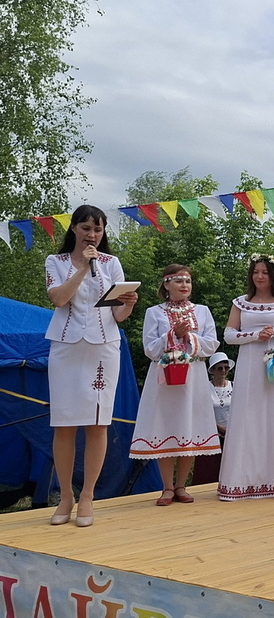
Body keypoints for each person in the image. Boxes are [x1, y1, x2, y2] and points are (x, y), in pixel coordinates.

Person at [44, 205, 138, 527]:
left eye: (98, 229)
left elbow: (117, 315)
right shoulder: (56, 262)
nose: (92, 235)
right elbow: (59, 299)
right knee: (64, 424)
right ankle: (65, 496)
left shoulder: (112, 264)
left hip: (103, 348)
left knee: (98, 423)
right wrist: (83, 267)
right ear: (73, 228)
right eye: (86, 228)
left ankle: (87, 496)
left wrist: (128, 305)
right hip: (66, 347)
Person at [129, 264, 221, 505]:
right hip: (163, 378)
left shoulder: (202, 311)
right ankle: (167, 487)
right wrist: (171, 335)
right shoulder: (154, 313)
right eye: (179, 281)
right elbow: (150, 349)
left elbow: (212, 344)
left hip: (193, 377)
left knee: (189, 425)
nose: (184, 285)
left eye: (188, 281)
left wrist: (188, 336)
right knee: (166, 426)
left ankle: (182, 486)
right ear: (166, 284)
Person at [217, 254, 274, 500]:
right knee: (247, 418)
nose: (260, 276)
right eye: (256, 272)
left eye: (264, 272)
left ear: (273, 275)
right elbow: (229, 335)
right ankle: (241, 482)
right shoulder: (240, 303)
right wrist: (255, 335)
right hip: (249, 367)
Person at [190, 352, 235, 485]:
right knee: (208, 471)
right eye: (220, 368)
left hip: (231, 435)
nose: (223, 371)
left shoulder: (234, 386)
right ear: (213, 370)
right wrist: (218, 427)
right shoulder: (205, 388)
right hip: (210, 435)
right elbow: (200, 413)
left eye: (226, 368)